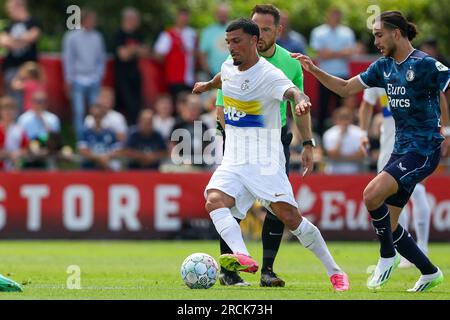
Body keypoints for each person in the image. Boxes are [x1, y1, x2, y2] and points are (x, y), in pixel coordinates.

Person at [292, 10, 449, 292]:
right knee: (390, 222)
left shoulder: (424, 64)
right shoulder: (383, 67)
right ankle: (429, 271)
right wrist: (314, 70)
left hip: (424, 148)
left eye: (379, 35)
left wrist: (446, 131)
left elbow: (445, 90)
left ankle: (387, 256)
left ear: (396, 33)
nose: (375, 41)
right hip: (400, 148)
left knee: (371, 194)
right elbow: (343, 88)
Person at [193, 18, 349, 292]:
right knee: (214, 200)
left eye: (237, 41)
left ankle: (335, 271)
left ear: (253, 41)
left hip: (265, 161)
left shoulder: (269, 74)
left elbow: (293, 91)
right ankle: (241, 256)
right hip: (234, 158)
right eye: (228, 42)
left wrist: (301, 101)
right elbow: (224, 78)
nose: (231, 47)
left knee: (290, 218)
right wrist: (207, 85)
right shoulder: (228, 65)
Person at [359, 87, 450, 267]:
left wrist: (446, 131)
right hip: (389, 142)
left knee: (417, 190)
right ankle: (405, 251)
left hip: (414, 139)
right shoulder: (378, 74)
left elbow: (439, 94)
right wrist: (363, 134)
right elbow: (366, 104)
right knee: (394, 197)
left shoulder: (412, 68)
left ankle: (421, 247)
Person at [310, 7, 356, 135]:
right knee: (323, 108)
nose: (335, 18)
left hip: (342, 75)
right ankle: (320, 136)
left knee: (342, 108)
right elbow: (321, 54)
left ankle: (343, 135)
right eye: (333, 15)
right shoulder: (318, 32)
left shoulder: (347, 32)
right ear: (328, 16)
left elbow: (350, 53)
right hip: (324, 76)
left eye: (337, 15)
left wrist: (331, 53)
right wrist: (341, 52)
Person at [62, 7, 106, 140]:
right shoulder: (71, 37)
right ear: (84, 20)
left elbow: (101, 58)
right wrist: (69, 79)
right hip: (77, 80)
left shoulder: (97, 37)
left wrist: (98, 76)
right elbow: (69, 59)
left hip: (94, 79)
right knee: (79, 112)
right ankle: (81, 140)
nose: (93, 22)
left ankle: (96, 138)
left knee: (97, 112)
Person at [153, 7, 198, 105]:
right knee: (178, 106)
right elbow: (158, 55)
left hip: (190, 79)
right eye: (181, 16)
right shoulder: (167, 34)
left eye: (186, 17)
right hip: (174, 79)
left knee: (192, 105)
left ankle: (196, 122)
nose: (183, 19)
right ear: (176, 18)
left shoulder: (192, 34)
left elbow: (197, 54)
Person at [113, 7, 149, 124]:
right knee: (126, 105)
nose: (138, 21)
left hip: (135, 76)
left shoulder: (138, 34)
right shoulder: (118, 34)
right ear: (128, 19)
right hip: (122, 76)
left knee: (137, 106)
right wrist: (136, 49)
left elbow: (146, 51)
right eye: (136, 19)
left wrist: (131, 50)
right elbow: (123, 55)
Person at [0, 0, 41, 94]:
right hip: (11, 67)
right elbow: (3, 41)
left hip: (28, 67)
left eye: (10, 10)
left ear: (18, 7)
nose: (9, 13)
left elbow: (33, 36)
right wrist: (23, 40)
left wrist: (12, 41)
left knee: (29, 97)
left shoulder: (33, 21)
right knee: (12, 99)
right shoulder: (9, 25)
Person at [77, 104, 122, 170]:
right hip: (90, 166)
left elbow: (117, 150)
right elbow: (82, 151)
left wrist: (107, 157)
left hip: (107, 165)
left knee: (116, 165)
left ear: (103, 116)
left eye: (99, 116)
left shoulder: (111, 132)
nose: (97, 119)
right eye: (95, 116)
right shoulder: (85, 132)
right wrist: (98, 158)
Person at [323, 106, 365, 174]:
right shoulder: (329, 134)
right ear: (335, 119)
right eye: (341, 118)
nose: (344, 121)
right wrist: (341, 136)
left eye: (346, 118)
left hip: (354, 173)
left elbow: (361, 154)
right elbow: (332, 155)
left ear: (351, 119)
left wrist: (340, 157)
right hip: (333, 173)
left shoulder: (359, 133)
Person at [200, 3, 230, 78]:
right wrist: (207, 71)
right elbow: (203, 54)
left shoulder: (234, 29)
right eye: (220, 13)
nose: (222, 16)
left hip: (232, 73)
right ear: (216, 15)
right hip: (214, 74)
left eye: (224, 13)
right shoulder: (208, 31)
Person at [0, 96, 28, 171]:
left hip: (14, 170)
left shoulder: (20, 130)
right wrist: (8, 155)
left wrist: (19, 153)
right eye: (5, 109)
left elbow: (26, 148)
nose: (8, 112)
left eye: (11, 109)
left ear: (15, 112)